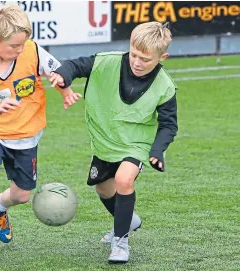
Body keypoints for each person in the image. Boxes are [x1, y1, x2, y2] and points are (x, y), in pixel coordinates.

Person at [0, 4, 81, 268]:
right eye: (13, 47)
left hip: (26, 132)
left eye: (23, 45)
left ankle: (0, 206)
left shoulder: (31, 49)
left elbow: (56, 73)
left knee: (21, 195)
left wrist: (65, 92)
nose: (20, 51)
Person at [49, 21, 178, 264]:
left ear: (163, 57)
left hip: (136, 143)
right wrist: (62, 75)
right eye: (134, 54)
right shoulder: (106, 61)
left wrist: (157, 150)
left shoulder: (165, 86)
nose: (137, 62)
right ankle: (130, 221)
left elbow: (169, 124)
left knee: (123, 180)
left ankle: (120, 241)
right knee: (103, 189)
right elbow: (76, 65)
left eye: (146, 59)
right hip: (105, 141)